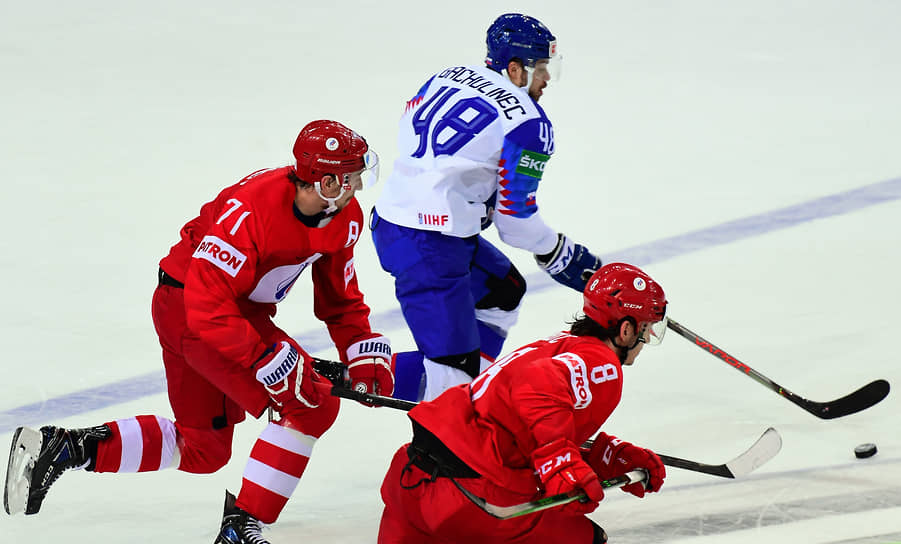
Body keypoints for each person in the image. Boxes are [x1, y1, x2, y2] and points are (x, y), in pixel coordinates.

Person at [3, 120, 394, 544]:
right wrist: (263, 358)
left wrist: (360, 348)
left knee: (204, 451)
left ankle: (67, 448)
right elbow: (207, 307)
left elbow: (340, 301)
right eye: (352, 176)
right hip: (193, 311)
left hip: (227, 313)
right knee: (311, 404)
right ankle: (240, 527)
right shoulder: (251, 212)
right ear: (327, 181)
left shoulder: (343, 217)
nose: (359, 185)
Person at [371, 12, 603, 402]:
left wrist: (470, 192)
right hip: (431, 244)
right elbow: (514, 223)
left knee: (502, 292)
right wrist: (558, 252)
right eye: (540, 68)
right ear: (515, 69)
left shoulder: (447, 75)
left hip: (394, 221)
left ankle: (471, 390)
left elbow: (416, 133)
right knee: (450, 380)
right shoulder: (529, 124)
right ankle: (362, 375)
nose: (547, 78)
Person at [378, 262, 670, 544]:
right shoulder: (602, 363)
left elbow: (514, 426)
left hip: (410, 480)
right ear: (626, 330)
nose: (646, 338)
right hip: (469, 500)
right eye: (646, 329)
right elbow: (536, 387)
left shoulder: (559, 346)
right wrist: (560, 459)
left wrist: (598, 458)